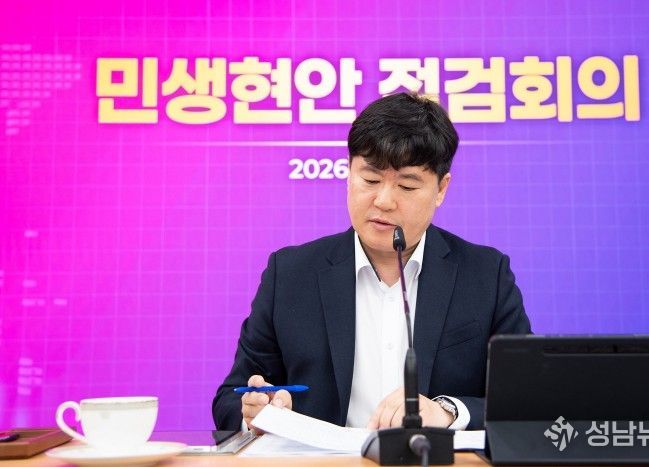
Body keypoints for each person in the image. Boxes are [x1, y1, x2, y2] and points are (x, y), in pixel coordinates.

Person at [212, 92, 531, 432]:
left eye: (406, 186)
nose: (383, 201)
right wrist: (257, 413)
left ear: (441, 189)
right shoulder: (290, 275)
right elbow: (232, 398)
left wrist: (449, 412)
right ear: (349, 173)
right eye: (371, 180)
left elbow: (527, 399)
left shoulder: (485, 275)